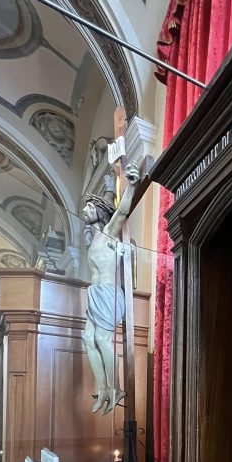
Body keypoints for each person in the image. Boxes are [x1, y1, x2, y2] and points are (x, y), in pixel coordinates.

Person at [80, 161, 141, 414]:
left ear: (100, 212)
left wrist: (132, 185)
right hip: (95, 294)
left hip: (108, 293)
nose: (85, 210)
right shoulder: (94, 239)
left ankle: (116, 387)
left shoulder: (109, 232)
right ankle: (104, 388)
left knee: (101, 338)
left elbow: (122, 210)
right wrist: (108, 185)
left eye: (90, 207)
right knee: (87, 338)